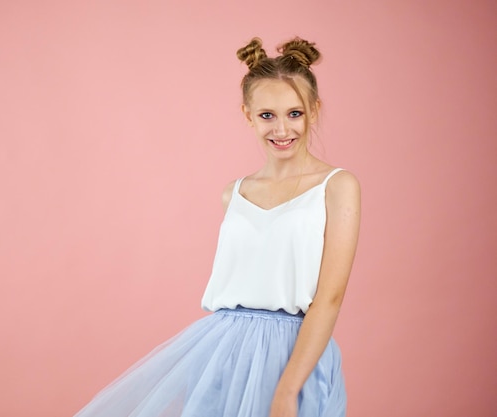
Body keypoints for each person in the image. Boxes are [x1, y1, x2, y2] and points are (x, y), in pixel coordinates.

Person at [73, 36, 360, 417]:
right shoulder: (234, 194)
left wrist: (288, 389)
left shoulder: (338, 187)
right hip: (223, 351)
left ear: (314, 111)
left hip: (295, 352)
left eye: (295, 113)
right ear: (247, 115)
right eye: (266, 115)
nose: (281, 129)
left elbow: (330, 297)